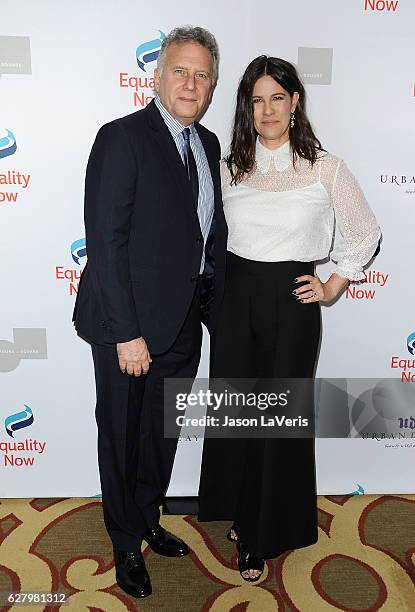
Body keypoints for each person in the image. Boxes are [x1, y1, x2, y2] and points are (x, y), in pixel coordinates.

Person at [198, 56, 381, 581]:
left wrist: (331, 285)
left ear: (296, 101)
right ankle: (241, 510)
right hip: (235, 299)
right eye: (257, 100)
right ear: (247, 109)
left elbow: (365, 233)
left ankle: (260, 532)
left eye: (277, 97)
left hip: (293, 303)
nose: (267, 109)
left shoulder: (326, 167)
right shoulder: (230, 164)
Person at [72, 26, 227, 598]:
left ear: (212, 84)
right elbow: (106, 241)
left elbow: (204, 239)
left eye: (202, 74)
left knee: (160, 435)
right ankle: (122, 540)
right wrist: (128, 333)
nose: (191, 83)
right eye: (180, 71)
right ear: (156, 76)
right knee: (121, 434)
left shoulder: (208, 145)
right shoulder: (122, 138)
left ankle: (145, 518)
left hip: (182, 324)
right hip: (126, 326)